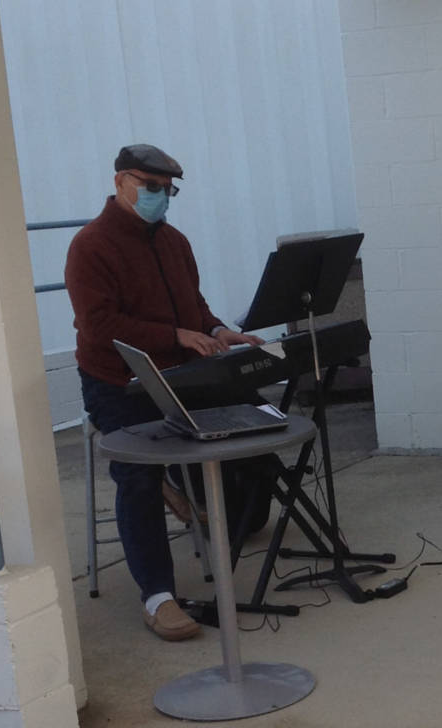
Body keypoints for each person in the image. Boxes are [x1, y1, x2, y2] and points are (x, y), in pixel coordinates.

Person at [65, 143, 263, 641]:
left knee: (251, 421)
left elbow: (193, 306)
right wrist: (172, 336)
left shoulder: (174, 241)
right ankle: (158, 596)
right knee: (136, 479)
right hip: (119, 384)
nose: (160, 196)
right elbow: (97, 326)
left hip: (178, 378)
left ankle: (211, 503)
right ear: (120, 183)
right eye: (150, 187)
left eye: (167, 189)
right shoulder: (91, 245)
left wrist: (218, 330)